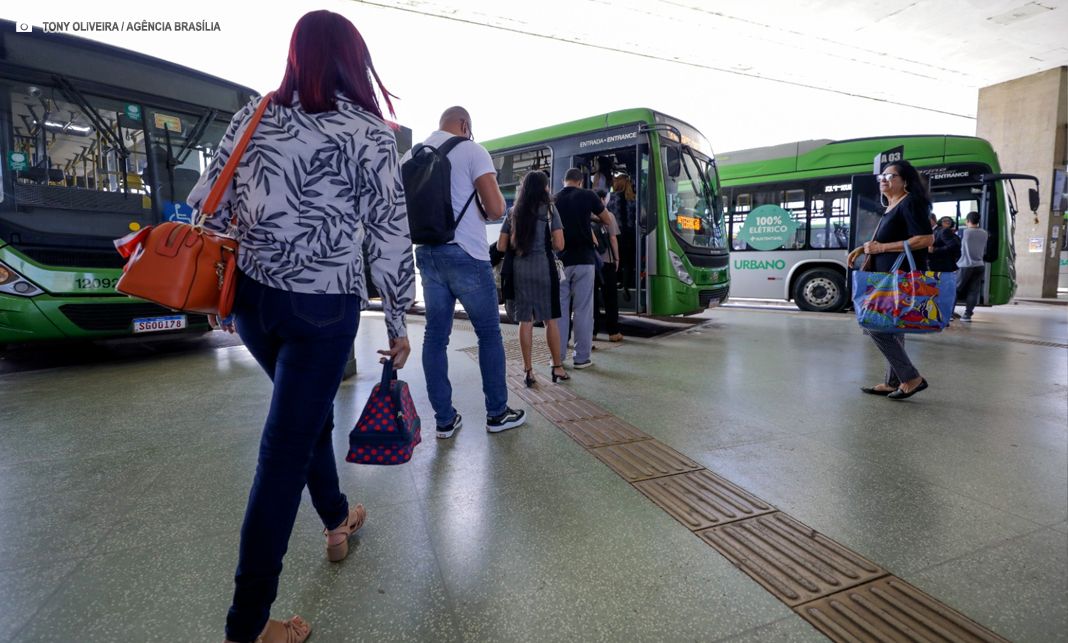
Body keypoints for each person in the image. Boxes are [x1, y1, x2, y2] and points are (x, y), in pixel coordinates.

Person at [186, 11, 413, 643]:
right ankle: (248, 625)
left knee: (303, 419)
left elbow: (210, 203)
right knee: (283, 452)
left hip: (254, 302)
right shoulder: (370, 131)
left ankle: (337, 521)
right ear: (354, 60)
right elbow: (389, 236)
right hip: (322, 307)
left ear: (296, 57)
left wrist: (218, 294)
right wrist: (398, 318)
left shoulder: (253, 114)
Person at [410, 106, 526, 438]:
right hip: (467, 255)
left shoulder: (411, 156)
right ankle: (497, 413)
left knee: (435, 338)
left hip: (427, 253)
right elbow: (496, 208)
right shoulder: (472, 150)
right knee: (488, 334)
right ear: (464, 125)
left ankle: (445, 420)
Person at [847, 160, 934, 401]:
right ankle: (893, 381)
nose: (883, 180)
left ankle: (911, 377)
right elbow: (889, 239)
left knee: (875, 324)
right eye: (881, 177)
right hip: (887, 277)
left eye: (890, 176)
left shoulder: (910, 202)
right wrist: (864, 249)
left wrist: (881, 248)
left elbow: (925, 239)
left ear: (905, 181)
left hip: (900, 278)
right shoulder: (892, 205)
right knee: (893, 327)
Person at [497, 171, 567, 385]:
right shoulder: (550, 210)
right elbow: (559, 244)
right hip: (544, 269)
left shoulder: (513, 212)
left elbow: (501, 246)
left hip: (520, 271)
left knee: (525, 321)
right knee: (550, 320)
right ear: (544, 187)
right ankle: (557, 367)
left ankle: (528, 371)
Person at [555, 168, 613, 369]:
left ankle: (558, 357)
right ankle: (581, 358)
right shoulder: (588, 195)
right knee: (583, 310)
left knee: (560, 310)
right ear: (580, 182)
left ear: (564, 181)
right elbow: (607, 219)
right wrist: (590, 218)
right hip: (584, 260)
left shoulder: (554, 199)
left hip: (561, 261)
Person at [593, 189, 623, 342]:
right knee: (610, 298)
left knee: (592, 299)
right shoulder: (608, 215)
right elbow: (612, 239)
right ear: (602, 199)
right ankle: (613, 332)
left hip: (592, 262)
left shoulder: (587, 214)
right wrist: (617, 258)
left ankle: (592, 332)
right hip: (607, 262)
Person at [955, 211, 989, 321]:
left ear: (968, 221)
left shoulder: (964, 232)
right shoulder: (984, 233)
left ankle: (949, 313)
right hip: (979, 265)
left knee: (955, 289)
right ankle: (967, 315)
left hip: (965, 265)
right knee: (973, 291)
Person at [608, 173, 637, 296]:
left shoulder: (611, 198)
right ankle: (626, 285)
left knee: (616, 259)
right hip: (629, 234)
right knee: (628, 262)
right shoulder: (633, 198)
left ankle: (616, 282)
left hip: (615, 233)